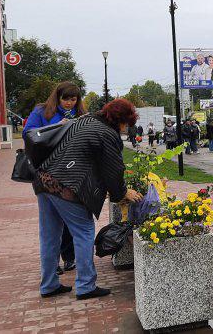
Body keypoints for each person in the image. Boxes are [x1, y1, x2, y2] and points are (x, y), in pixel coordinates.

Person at [33, 98, 144, 300]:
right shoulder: (108, 134)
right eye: (126, 124)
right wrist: (122, 194)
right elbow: (113, 170)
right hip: (67, 186)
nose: (126, 128)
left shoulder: (85, 120)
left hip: (44, 179)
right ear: (120, 120)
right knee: (84, 232)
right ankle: (85, 285)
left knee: (49, 236)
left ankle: (48, 284)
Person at [23, 81, 87, 275]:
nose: (69, 103)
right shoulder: (43, 111)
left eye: (73, 100)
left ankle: (69, 258)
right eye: (65, 99)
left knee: (70, 221)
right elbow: (29, 134)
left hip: (71, 172)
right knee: (50, 227)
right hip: (47, 174)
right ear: (58, 97)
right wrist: (57, 127)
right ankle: (52, 268)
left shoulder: (80, 114)